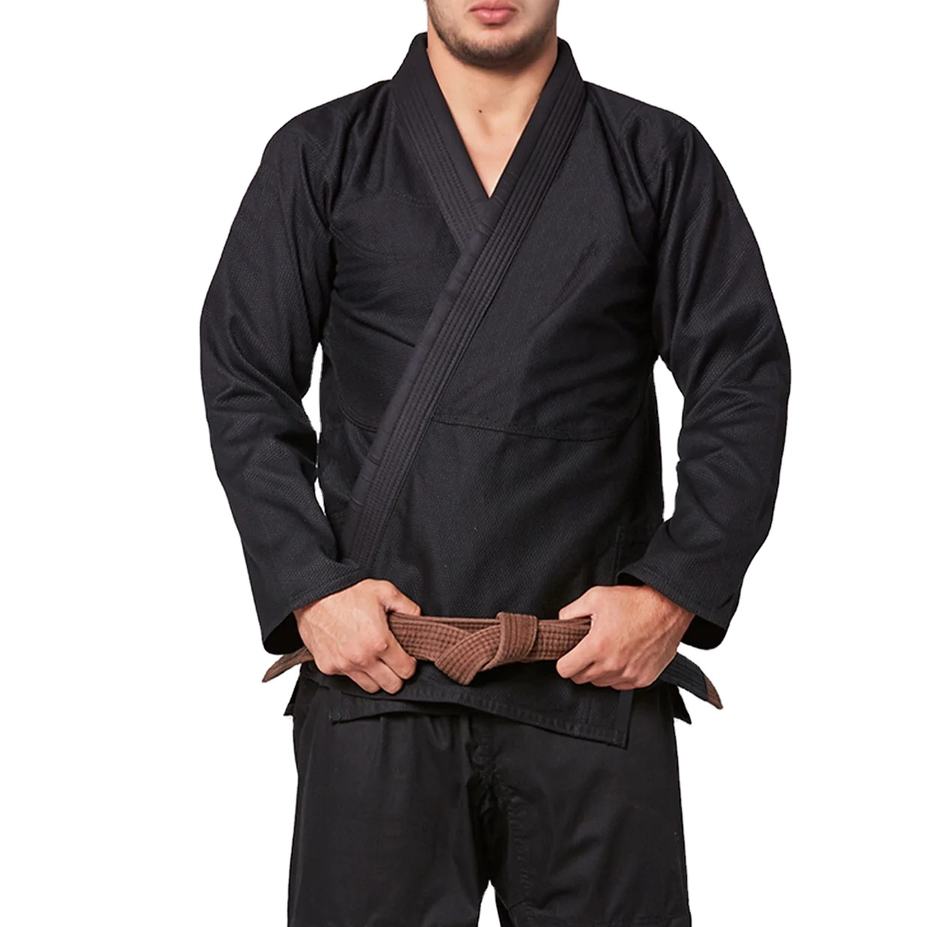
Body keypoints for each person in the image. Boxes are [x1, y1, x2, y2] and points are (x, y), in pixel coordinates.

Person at [199, 1, 791, 924]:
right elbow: (244, 375)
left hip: (591, 681)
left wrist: (672, 591)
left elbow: (742, 381)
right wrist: (310, 589)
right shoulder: (321, 154)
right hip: (379, 680)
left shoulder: (656, 157)